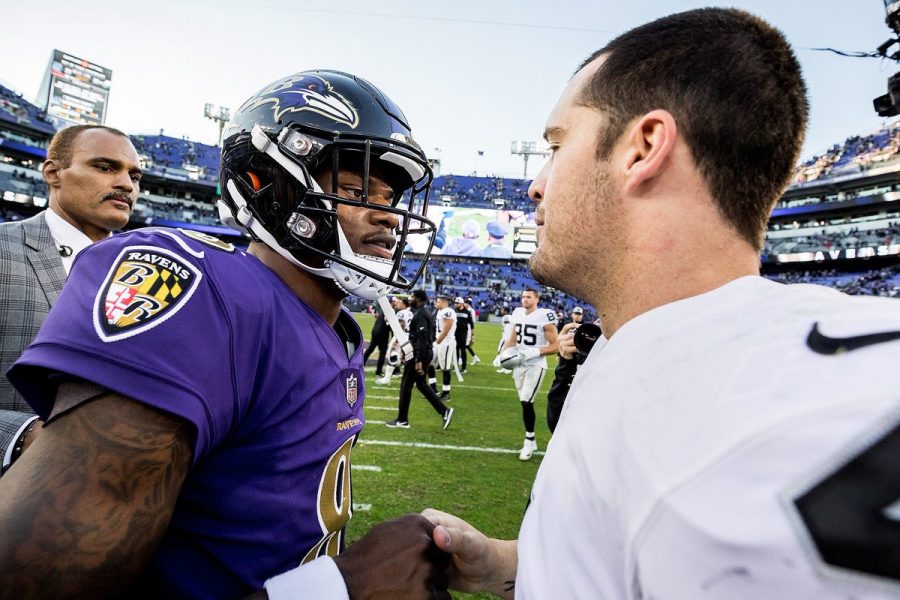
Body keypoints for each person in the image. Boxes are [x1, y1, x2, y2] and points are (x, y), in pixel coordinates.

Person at [423, 8, 900, 599]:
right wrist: (502, 564)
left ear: (644, 147)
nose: (535, 183)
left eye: (557, 144)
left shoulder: (792, 408)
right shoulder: (639, 344)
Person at [0, 69, 449, 599]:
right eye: (356, 189)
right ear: (270, 185)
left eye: (391, 196)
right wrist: (338, 590)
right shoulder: (208, 293)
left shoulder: (338, 330)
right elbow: (40, 583)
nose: (389, 217)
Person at [0, 124, 141, 472]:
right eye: (105, 167)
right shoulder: (3, 250)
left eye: (134, 175)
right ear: (53, 173)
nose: (126, 184)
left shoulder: (144, 275)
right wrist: (24, 436)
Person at [496, 288, 558, 460]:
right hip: (519, 363)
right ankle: (531, 439)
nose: (525, 299)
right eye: (523, 296)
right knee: (524, 401)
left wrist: (536, 352)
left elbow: (555, 345)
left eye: (529, 297)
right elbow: (512, 338)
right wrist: (502, 353)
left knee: (526, 399)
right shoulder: (517, 313)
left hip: (536, 364)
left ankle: (529, 440)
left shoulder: (545, 315)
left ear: (537, 299)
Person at [386, 289, 454, 430]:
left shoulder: (421, 314)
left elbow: (422, 338)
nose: (410, 299)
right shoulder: (422, 313)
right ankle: (444, 411)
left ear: (418, 299)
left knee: (406, 385)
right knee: (421, 385)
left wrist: (417, 359)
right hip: (421, 352)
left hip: (420, 353)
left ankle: (402, 420)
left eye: (412, 297)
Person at [374, 296, 413, 385]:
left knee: (393, 356)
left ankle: (387, 378)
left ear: (403, 303)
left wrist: (396, 341)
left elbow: (401, 325)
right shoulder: (410, 313)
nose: (397, 304)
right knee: (407, 358)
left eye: (399, 302)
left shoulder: (401, 313)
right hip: (408, 336)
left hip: (400, 336)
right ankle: (410, 379)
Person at [431, 294, 457, 399]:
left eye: (438, 301)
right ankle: (432, 388)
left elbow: (445, 330)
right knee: (430, 363)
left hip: (445, 342)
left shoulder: (448, 312)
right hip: (439, 340)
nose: (436, 303)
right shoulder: (440, 311)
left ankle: (446, 392)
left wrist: (437, 342)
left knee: (445, 367)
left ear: (443, 301)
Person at [362, 298, 390, 377]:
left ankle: (361, 366)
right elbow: (389, 325)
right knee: (382, 353)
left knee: (370, 349)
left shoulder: (383, 310)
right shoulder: (389, 311)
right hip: (382, 333)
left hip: (375, 331)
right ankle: (378, 371)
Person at [453, 296, 473, 372]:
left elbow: (471, 324)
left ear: (461, 303)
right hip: (455, 333)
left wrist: (472, 335)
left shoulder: (467, 312)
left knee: (463, 350)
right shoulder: (454, 311)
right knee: (456, 350)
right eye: (455, 303)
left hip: (463, 333)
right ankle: (455, 366)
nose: (455, 304)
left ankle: (464, 368)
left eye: (457, 303)